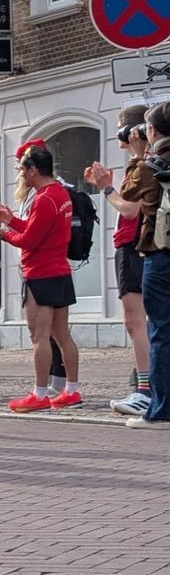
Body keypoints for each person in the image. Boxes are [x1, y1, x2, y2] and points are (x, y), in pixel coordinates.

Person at [0, 144, 80, 413]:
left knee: (40, 336)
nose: (21, 175)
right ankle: (71, 390)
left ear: (33, 170)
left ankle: (39, 393)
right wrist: (10, 219)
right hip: (59, 271)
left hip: (41, 273)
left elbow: (30, 240)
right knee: (62, 335)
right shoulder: (59, 194)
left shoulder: (44, 198)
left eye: (22, 169)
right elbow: (37, 229)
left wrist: (5, 234)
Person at [84, 105, 153, 416]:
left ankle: (145, 390)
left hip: (132, 244)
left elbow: (129, 210)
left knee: (135, 321)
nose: (120, 138)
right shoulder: (149, 163)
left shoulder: (143, 166)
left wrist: (106, 188)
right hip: (143, 245)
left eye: (123, 131)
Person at [116, 101, 170, 428]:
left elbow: (127, 197)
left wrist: (138, 155)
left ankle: (160, 408)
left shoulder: (150, 164)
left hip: (160, 254)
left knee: (161, 330)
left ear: (151, 131)